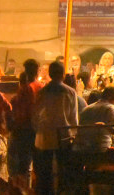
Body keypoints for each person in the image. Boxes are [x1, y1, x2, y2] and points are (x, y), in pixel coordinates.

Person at [33, 61, 79, 195]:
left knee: (45, 171)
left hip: (44, 136)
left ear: (50, 74)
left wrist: (38, 130)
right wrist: (74, 134)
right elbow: (74, 118)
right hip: (64, 136)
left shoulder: (43, 92)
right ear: (63, 75)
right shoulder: (70, 92)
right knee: (63, 170)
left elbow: (35, 115)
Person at [76, 86, 114, 152]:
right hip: (101, 148)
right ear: (110, 98)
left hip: (80, 148)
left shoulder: (86, 109)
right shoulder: (110, 107)